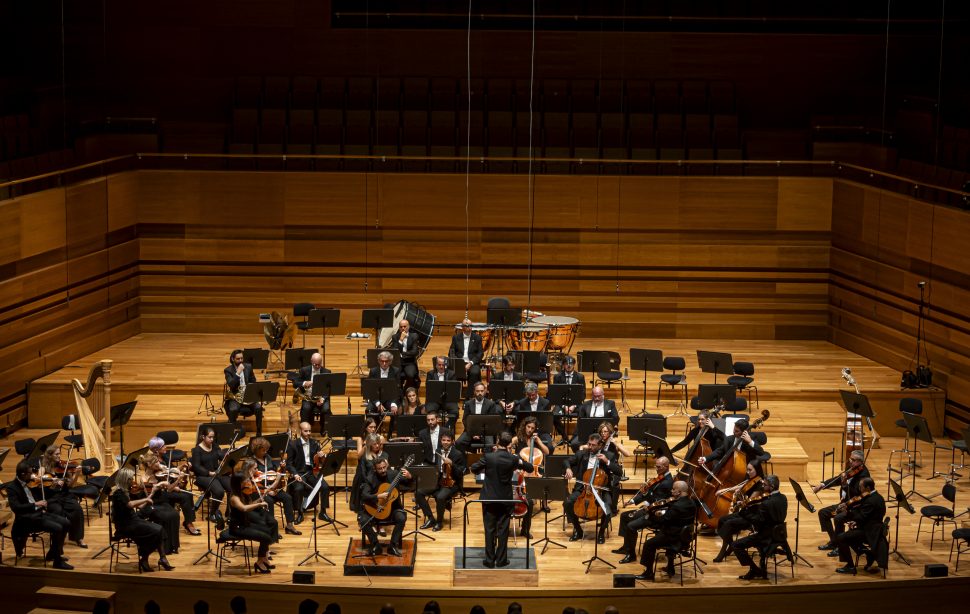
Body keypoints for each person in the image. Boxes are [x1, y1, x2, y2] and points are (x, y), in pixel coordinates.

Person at [470, 431, 534, 567]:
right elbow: (529, 468)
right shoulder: (513, 458)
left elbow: (474, 469)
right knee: (503, 529)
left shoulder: (489, 457)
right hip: (506, 499)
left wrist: (486, 469)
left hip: (489, 498)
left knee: (489, 529)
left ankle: (489, 560)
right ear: (510, 444)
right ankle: (501, 560)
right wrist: (519, 460)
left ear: (498, 441)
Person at [7, 460, 72, 569]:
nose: (32, 475)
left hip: (38, 514)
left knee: (66, 522)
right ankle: (57, 561)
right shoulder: (12, 488)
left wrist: (53, 486)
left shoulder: (28, 483)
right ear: (23, 474)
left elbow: (42, 495)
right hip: (27, 519)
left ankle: (52, 553)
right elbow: (16, 508)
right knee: (58, 528)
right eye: (29, 473)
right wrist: (35, 504)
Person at [111, 467, 173, 571]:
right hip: (126, 525)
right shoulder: (118, 493)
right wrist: (145, 499)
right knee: (157, 531)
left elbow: (140, 506)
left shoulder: (126, 491)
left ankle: (161, 558)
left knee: (159, 529)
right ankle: (146, 559)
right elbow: (130, 505)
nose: (132, 481)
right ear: (125, 480)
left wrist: (151, 494)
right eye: (130, 479)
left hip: (133, 521)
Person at [613, 456, 673, 562]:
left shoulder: (667, 483)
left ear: (666, 467)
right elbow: (647, 493)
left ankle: (631, 555)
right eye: (656, 466)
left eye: (658, 467)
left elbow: (657, 501)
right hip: (650, 509)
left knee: (631, 526)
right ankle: (626, 547)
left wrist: (646, 494)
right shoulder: (660, 477)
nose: (656, 468)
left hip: (655, 514)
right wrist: (632, 501)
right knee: (624, 516)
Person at [633, 480, 697, 581]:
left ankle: (648, 573)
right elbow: (676, 518)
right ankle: (670, 567)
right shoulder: (692, 503)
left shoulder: (676, 506)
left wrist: (651, 514)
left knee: (649, 544)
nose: (671, 491)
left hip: (673, 537)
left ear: (679, 492)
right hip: (685, 536)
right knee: (661, 533)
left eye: (673, 489)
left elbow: (663, 521)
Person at [564, 433, 621, 544]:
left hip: (601, 490)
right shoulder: (582, 454)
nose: (590, 447)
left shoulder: (609, 455)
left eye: (593, 445)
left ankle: (601, 533)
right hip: (583, 489)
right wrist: (568, 469)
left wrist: (606, 461)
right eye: (589, 444)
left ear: (600, 445)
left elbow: (619, 472)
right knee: (568, 503)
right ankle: (578, 530)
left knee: (608, 506)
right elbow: (566, 461)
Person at [816, 449, 871, 556]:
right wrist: (823, 485)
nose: (850, 461)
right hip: (844, 504)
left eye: (853, 460)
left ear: (860, 462)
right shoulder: (852, 468)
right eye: (850, 458)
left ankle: (841, 546)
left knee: (838, 518)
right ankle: (834, 542)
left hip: (854, 507)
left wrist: (845, 485)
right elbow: (838, 479)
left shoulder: (864, 477)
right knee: (823, 513)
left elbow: (859, 495)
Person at [733, 474, 788, 580]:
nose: (763, 486)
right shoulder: (783, 498)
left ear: (771, 487)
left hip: (766, 536)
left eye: (765, 485)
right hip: (779, 535)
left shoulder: (766, 503)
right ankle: (761, 563)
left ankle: (755, 570)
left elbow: (758, 522)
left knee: (736, 545)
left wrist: (743, 510)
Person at [143, 438, 200, 535]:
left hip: (168, 486)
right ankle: (189, 523)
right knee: (185, 496)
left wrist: (181, 467)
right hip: (161, 492)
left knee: (188, 494)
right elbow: (165, 485)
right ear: (156, 450)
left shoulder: (164, 457)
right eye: (163, 446)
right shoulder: (154, 462)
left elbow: (171, 470)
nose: (166, 447)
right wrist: (176, 484)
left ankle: (189, 521)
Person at [357, 457, 412, 556]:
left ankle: (393, 546)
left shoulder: (394, 474)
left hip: (393, 509)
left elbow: (409, 485)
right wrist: (378, 496)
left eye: (384, 467)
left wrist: (409, 477)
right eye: (380, 468)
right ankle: (375, 545)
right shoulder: (370, 478)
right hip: (375, 508)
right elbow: (364, 495)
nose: (383, 470)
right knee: (362, 520)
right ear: (375, 469)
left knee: (402, 518)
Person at [712, 462, 765, 562]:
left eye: (750, 470)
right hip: (744, 512)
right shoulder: (750, 479)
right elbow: (740, 487)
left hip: (752, 516)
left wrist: (740, 499)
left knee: (728, 524)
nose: (747, 472)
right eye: (747, 469)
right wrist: (724, 490)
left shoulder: (760, 484)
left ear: (757, 470)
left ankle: (724, 550)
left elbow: (750, 501)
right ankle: (731, 545)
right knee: (722, 520)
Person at [833, 477, 888, 574]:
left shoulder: (870, 501)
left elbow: (861, 516)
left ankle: (850, 566)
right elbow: (869, 515)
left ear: (867, 487)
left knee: (841, 538)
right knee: (850, 534)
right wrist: (856, 522)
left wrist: (848, 512)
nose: (859, 489)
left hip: (870, 531)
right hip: (872, 526)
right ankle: (868, 553)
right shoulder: (878, 497)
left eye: (860, 487)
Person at [248, 437, 301, 535]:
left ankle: (289, 526)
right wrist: (268, 490)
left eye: (266, 449)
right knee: (269, 501)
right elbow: (251, 482)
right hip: (259, 490)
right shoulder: (251, 462)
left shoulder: (267, 457)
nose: (266, 451)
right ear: (257, 450)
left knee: (288, 498)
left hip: (273, 487)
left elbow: (276, 473)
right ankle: (271, 529)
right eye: (263, 450)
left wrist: (282, 468)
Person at [416, 429, 465, 531]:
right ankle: (430, 518)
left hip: (452, 483)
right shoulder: (438, 451)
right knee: (418, 493)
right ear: (441, 440)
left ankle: (439, 522)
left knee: (440, 497)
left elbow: (460, 474)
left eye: (448, 440)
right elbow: (437, 467)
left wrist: (452, 464)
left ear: (452, 441)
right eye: (443, 440)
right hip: (439, 481)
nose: (445, 442)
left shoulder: (458, 454)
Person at [38, 446, 87, 548]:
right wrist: (52, 481)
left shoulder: (63, 467)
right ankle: (58, 538)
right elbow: (38, 480)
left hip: (65, 495)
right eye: (56, 454)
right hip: (51, 497)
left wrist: (77, 474)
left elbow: (71, 485)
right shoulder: (43, 468)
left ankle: (78, 538)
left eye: (59, 453)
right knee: (57, 511)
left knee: (77, 510)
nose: (59, 456)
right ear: (49, 455)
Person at [285, 421, 333, 524]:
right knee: (299, 488)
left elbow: (322, 462)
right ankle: (300, 513)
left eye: (310, 431)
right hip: (299, 472)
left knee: (325, 487)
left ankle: (323, 512)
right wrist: (295, 474)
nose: (308, 433)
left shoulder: (314, 443)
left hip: (312, 472)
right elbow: (289, 464)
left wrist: (322, 457)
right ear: (300, 431)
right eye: (305, 431)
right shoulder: (293, 444)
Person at [136, 451, 184, 553]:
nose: (160, 464)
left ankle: (172, 546)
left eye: (158, 461)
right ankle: (164, 547)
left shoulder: (159, 475)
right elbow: (146, 499)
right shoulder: (143, 479)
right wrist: (155, 488)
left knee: (175, 514)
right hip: (151, 504)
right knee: (165, 517)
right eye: (156, 462)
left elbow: (169, 489)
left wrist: (177, 480)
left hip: (162, 501)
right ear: (149, 465)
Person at [510, 417, 549, 539]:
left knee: (530, 502)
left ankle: (525, 529)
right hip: (520, 472)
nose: (530, 430)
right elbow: (507, 447)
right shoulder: (518, 439)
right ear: (524, 426)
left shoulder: (535, 440)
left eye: (532, 428)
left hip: (533, 473)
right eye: (528, 427)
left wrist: (539, 442)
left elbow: (547, 452)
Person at [228, 471, 275, 573]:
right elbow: (244, 508)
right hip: (237, 528)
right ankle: (259, 562)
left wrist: (259, 501)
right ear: (239, 483)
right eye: (246, 480)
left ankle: (263, 559)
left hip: (245, 524)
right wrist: (258, 505)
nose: (248, 481)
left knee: (267, 530)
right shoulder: (234, 497)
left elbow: (250, 505)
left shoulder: (242, 493)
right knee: (265, 537)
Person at [697, 418, 770, 472]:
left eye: (737, 431)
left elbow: (761, 452)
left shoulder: (751, 439)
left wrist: (750, 442)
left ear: (744, 432)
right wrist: (706, 458)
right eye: (734, 429)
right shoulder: (729, 439)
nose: (734, 432)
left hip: (746, 470)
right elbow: (719, 451)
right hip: (729, 468)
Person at [191, 425, 232, 520]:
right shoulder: (197, 450)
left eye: (213, 437)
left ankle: (229, 512)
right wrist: (209, 473)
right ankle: (212, 514)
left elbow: (220, 456)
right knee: (219, 491)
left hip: (216, 473)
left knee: (232, 486)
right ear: (203, 437)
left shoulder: (215, 446)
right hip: (203, 476)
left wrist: (226, 456)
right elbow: (196, 467)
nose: (212, 439)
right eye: (210, 437)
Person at [224, 349, 264, 436]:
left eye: (242, 358)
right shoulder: (228, 370)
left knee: (258, 408)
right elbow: (231, 385)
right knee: (233, 409)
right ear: (232, 359)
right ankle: (232, 430)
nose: (240, 361)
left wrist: (252, 390)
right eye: (238, 359)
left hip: (248, 395)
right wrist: (238, 372)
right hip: (235, 396)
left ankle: (259, 433)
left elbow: (253, 381)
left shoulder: (248, 367)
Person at [456, 381, 501, 453]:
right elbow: (465, 420)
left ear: (485, 391)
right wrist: (473, 432)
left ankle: (485, 462)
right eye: (477, 391)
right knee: (458, 443)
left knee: (489, 445)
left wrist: (480, 433)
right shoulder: (468, 403)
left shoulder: (491, 404)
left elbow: (491, 422)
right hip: (471, 431)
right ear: (474, 391)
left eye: (482, 391)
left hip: (486, 432)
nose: (480, 393)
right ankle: (465, 461)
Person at [570, 386, 618, 452]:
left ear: (603, 395)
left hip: (603, 433)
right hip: (587, 432)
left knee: (608, 445)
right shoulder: (585, 404)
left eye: (599, 396)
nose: (597, 398)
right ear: (592, 395)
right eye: (595, 396)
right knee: (574, 444)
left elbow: (616, 418)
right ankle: (582, 459)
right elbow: (580, 420)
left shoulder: (610, 404)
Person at [290, 352, 332, 428]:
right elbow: (295, 384)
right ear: (311, 361)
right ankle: (305, 428)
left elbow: (328, 388)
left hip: (321, 397)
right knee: (306, 408)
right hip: (308, 397)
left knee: (326, 409)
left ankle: (324, 428)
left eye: (319, 364)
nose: (317, 366)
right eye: (315, 364)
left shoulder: (327, 372)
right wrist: (304, 383)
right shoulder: (304, 370)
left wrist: (322, 398)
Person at [550, 356, 586, 441]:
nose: (569, 366)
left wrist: (574, 406)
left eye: (571, 364)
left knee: (584, 414)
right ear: (563, 365)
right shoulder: (557, 377)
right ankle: (564, 437)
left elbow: (583, 394)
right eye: (566, 364)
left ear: (574, 365)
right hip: (561, 403)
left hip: (575, 403)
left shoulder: (580, 377)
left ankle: (574, 438)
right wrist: (563, 406)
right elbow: (556, 394)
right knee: (553, 415)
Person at [350, 433, 388, 513]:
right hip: (370, 483)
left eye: (378, 443)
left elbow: (387, 471)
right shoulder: (365, 457)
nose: (377, 446)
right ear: (370, 445)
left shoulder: (384, 455)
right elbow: (363, 473)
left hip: (382, 482)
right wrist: (369, 484)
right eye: (374, 444)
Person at [512, 382, 553, 448]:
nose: (531, 397)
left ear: (537, 392)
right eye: (529, 395)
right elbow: (522, 419)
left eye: (533, 395)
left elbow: (546, 420)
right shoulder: (522, 402)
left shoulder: (546, 402)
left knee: (550, 447)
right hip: (527, 432)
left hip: (542, 431)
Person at [448, 318, 484, 386]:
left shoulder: (477, 338)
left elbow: (480, 353)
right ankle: (455, 394)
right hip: (459, 362)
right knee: (451, 373)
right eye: (466, 325)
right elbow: (451, 352)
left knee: (474, 372)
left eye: (469, 325)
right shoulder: (456, 338)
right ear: (462, 327)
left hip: (472, 363)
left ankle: (470, 395)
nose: (468, 327)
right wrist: (459, 363)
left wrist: (470, 363)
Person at [424, 355, 459, 424]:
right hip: (434, 399)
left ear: (446, 365)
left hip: (448, 400)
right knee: (429, 410)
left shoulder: (452, 374)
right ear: (436, 365)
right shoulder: (430, 374)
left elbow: (453, 389)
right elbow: (428, 388)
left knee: (455, 411)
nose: (441, 367)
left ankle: (448, 427)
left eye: (443, 365)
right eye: (439, 365)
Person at [366, 351, 401, 416]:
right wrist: (377, 403)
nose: (384, 363)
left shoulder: (396, 371)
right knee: (369, 410)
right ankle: (374, 425)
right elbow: (371, 390)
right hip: (376, 398)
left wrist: (393, 404)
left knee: (397, 411)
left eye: (386, 361)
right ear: (379, 361)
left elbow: (397, 389)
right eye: (382, 361)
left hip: (390, 399)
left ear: (390, 361)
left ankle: (392, 426)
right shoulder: (373, 371)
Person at [391, 318, 421, 391]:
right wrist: (401, 340)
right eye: (401, 327)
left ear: (408, 326)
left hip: (409, 362)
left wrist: (402, 354)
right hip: (398, 362)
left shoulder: (414, 336)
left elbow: (415, 352)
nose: (403, 328)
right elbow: (395, 351)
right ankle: (399, 392)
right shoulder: (395, 337)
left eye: (405, 326)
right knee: (396, 375)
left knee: (410, 375)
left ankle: (406, 390)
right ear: (399, 328)